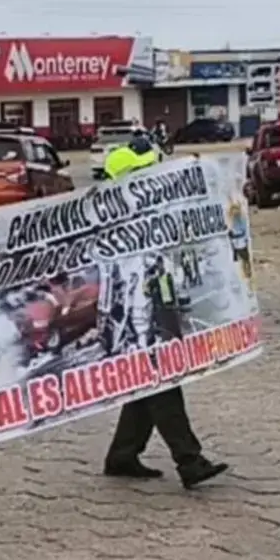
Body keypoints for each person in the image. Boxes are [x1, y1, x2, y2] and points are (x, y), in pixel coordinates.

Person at [99, 145, 229, 489]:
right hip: (139, 318)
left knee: (149, 383)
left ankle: (122, 454)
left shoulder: (145, 213)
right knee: (162, 382)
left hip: (157, 307)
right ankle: (189, 460)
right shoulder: (118, 222)